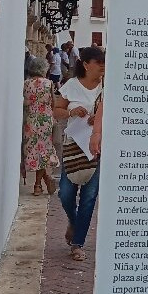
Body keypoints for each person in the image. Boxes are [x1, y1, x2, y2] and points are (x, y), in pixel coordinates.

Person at [53, 46, 105, 262]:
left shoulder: (108, 86)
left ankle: (78, 243)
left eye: (104, 62)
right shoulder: (71, 86)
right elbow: (56, 111)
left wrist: (100, 120)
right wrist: (72, 112)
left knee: (89, 197)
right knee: (65, 192)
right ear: (85, 64)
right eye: (98, 62)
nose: (102, 66)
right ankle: (74, 223)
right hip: (73, 145)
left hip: (97, 147)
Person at [22, 55, 58, 196]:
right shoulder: (49, 84)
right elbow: (54, 103)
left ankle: (41, 183)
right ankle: (38, 184)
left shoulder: (26, 83)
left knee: (31, 150)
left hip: (30, 120)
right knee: (43, 152)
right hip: (45, 121)